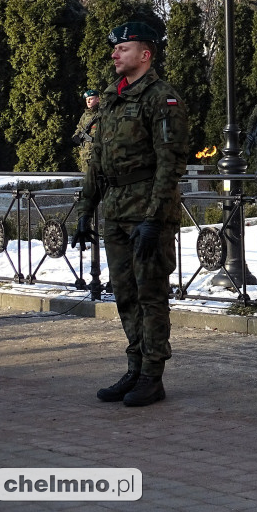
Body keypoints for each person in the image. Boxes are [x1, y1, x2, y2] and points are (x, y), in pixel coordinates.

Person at [71, 21, 189, 408]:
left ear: (145, 54)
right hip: (116, 210)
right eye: (115, 48)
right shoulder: (112, 97)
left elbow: (170, 164)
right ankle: (134, 367)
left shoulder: (162, 98)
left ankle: (152, 376)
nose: (114, 54)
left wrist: (154, 218)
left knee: (150, 294)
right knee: (124, 294)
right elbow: (98, 161)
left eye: (123, 48)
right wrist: (86, 208)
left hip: (146, 212)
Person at [71, 89, 101, 172]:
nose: (88, 101)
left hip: (97, 152)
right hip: (85, 152)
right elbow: (79, 127)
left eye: (90, 99)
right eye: (87, 100)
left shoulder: (102, 114)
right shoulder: (85, 115)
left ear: (98, 99)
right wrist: (76, 135)